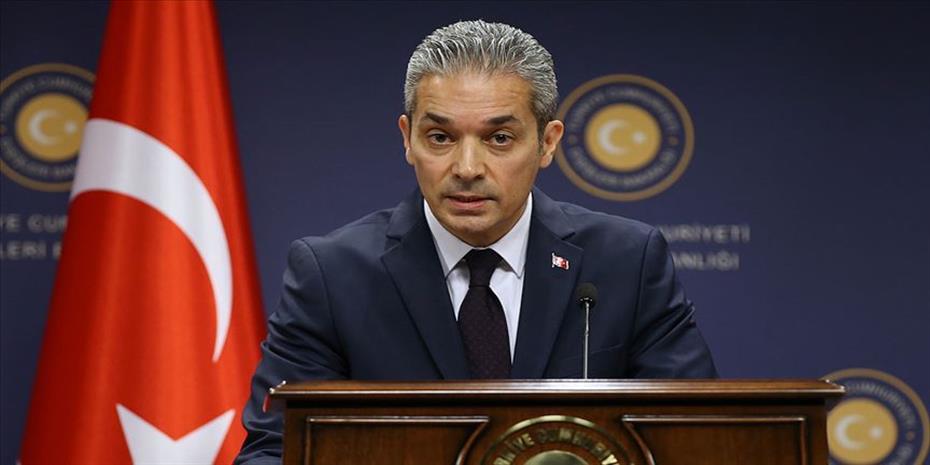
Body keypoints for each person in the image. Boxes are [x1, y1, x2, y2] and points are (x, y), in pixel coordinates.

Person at [235, 19, 716, 464]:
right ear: (407, 139)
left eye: (499, 138)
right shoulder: (333, 275)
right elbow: (275, 450)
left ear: (547, 142)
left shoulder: (626, 262)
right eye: (440, 137)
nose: (466, 168)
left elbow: (697, 439)